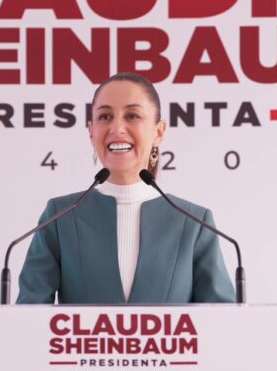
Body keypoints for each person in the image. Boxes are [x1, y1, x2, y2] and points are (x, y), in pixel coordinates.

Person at [16, 73, 235, 304]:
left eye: (132, 116)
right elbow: (29, 315)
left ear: (159, 132)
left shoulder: (194, 222)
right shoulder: (60, 217)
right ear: (91, 131)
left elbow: (221, 319)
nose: (117, 128)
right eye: (105, 117)